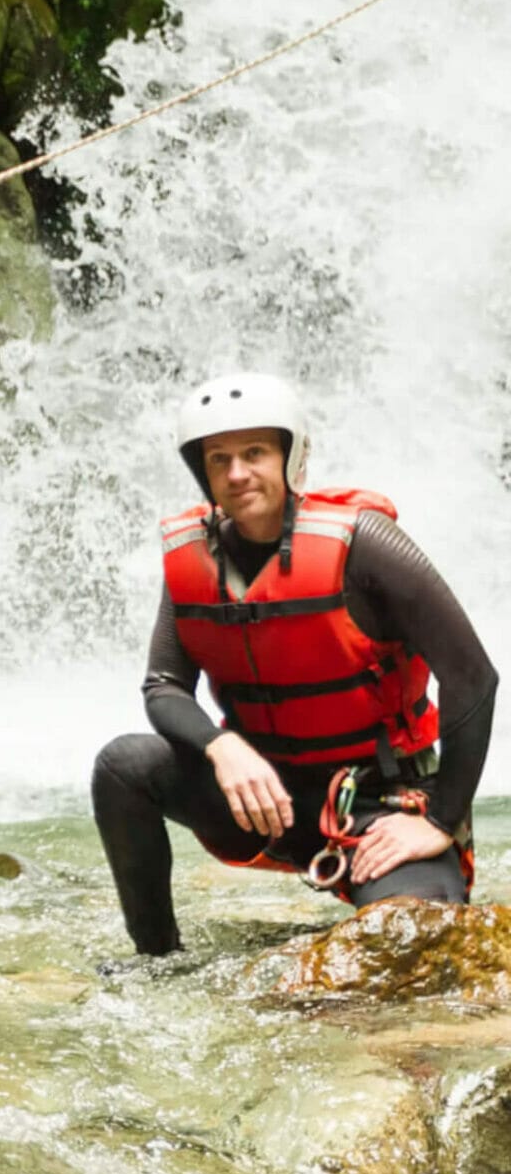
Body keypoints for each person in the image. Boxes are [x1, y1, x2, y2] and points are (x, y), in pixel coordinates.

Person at [92, 372, 497, 954]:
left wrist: (438, 820)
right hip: (263, 799)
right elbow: (164, 685)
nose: (237, 473)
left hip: (377, 805)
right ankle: (158, 960)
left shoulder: (365, 543)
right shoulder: (195, 556)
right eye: (219, 459)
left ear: (291, 457)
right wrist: (220, 746)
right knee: (123, 766)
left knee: (415, 944)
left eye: (255, 453)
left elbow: (472, 677)